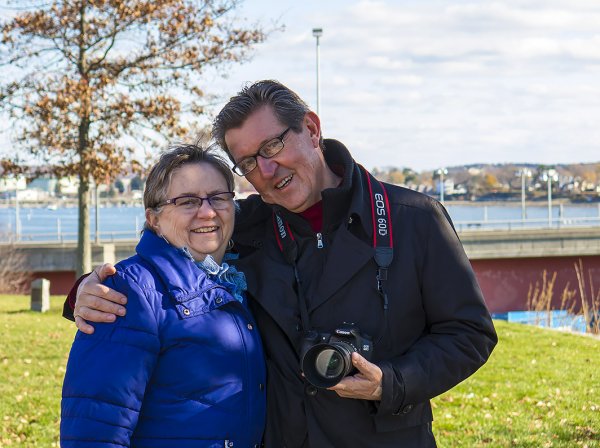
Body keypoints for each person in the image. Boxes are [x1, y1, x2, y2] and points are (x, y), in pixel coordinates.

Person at [65, 80, 497, 447]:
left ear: (311, 129)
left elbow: (469, 333)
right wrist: (91, 289)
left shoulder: (413, 219)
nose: (267, 169)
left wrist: (392, 381)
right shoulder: (246, 224)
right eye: (248, 162)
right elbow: (171, 248)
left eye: (273, 145)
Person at [60, 144, 266, 448]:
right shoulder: (130, 292)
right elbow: (95, 430)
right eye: (187, 201)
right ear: (153, 219)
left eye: (218, 197)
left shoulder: (235, 281)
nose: (207, 211)